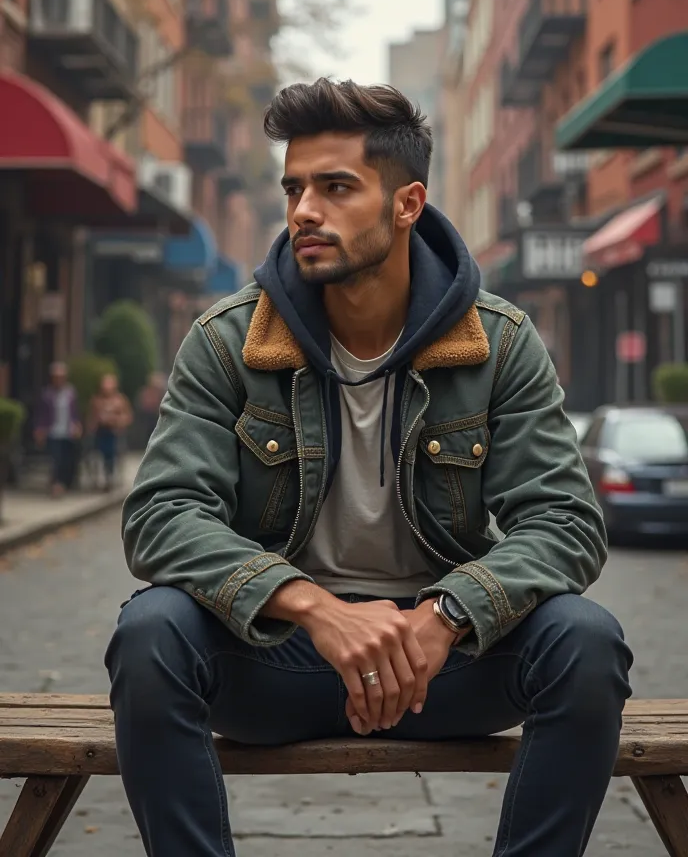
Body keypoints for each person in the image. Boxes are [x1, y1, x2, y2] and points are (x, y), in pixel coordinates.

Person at [106, 79, 632, 857]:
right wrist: (317, 610)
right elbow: (160, 515)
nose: (304, 210)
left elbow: (566, 523)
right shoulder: (228, 340)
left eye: (336, 187)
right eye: (294, 188)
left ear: (407, 203)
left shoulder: (499, 343)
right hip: (277, 658)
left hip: (437, 662)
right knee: (150, 633)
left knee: (586, 641)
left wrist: (447, 614)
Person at [34, 361, 81, 498]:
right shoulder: (47, 394)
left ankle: (63, 483)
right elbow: (41, 414)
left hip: (68, 432)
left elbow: (75, 412)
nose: (59, 380)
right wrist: (39, 430)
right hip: (53, 432)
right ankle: (56, 484)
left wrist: (77, 424)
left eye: (61, 377)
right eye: (56, 377)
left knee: (67, 459)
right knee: (56, 458)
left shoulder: (70, 393)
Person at [88, 373, 132, 490]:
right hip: (100, 432)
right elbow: (92, 418)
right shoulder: (97, 400)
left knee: (112, 456)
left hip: (114, 433)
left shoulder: (120, 400)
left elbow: (127, 417)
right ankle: (100, 478)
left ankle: (110, 477)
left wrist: (116, 420)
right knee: (98, 456)